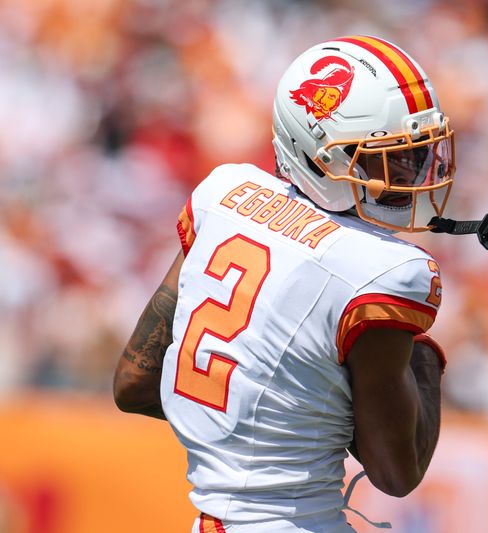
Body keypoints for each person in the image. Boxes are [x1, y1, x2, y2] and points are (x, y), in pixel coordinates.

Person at [114, 35, 467, 532]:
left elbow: (135, 383)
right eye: (389, 157)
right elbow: (397, 471)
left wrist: (248, 426)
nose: (414, 174)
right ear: (319, 156)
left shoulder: (224, 196)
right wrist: (423, 357)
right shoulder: (386, 271)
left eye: (417, 154)